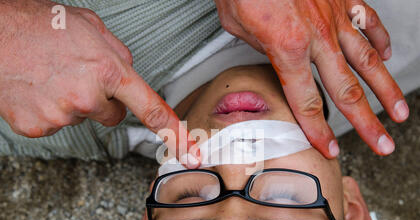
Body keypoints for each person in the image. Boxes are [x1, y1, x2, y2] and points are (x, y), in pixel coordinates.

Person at [0, 0, 415, 164]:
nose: (239, 166)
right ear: (352, 209)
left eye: (194, 202)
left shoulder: (44, 116)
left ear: (151, 214)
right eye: (287, 201)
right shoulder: (380, 60)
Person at [131, 63, 397, 220]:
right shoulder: (383, 54)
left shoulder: (103, 91)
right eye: (282, 197)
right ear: (350, 211)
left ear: (151, 210)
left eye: (192, 197)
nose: (234, 162)